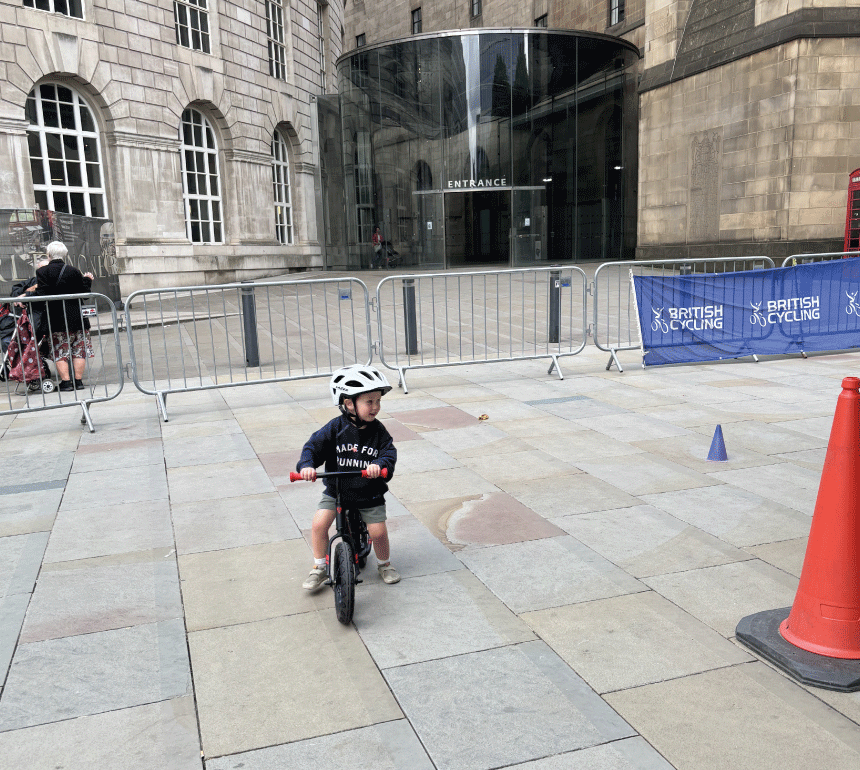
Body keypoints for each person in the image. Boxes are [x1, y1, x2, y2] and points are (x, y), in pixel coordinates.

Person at [297, 363, 401, 590]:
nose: (376, 407)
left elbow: (389, 453)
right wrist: (307, 465)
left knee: (378, 531)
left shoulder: (379, 431)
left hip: (368, 492)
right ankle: (319, 567)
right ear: (348, 403)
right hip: (337, 490)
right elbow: (313, 448)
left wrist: (379, 464)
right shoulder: (335, 428)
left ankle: (385, 564)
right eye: (369, 401)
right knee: (318, 525)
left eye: (378, 401)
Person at [34, 241, 94, 392]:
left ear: (48, 254)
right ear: (65, 254)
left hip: (56, 319)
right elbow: (84, 293)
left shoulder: (43, 272)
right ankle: (79, 382)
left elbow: (42, 295)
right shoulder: (73, 270)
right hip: (77, 317)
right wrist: (87, 280)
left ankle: (66, 383)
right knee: (79, 350)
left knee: (60, 350)